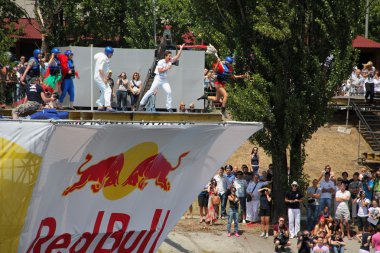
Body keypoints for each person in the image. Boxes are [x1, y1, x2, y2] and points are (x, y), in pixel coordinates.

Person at [139, 44, 185, 112]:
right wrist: (168, 67)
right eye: (169, 56)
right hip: (158, 78)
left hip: (164, 80)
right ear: (165, 56)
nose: (170, 57)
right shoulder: (161, 62)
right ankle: (141, 104)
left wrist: (181, 49)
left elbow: (177, 57)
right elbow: (160, 71)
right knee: (151, 91)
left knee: (169, 92)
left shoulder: (170, 61)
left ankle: (169, 107)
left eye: (171, 56)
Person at [94, 46, 114, 111]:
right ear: (108, 53)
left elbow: (104, 69)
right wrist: (105, 78)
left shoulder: (104, 58)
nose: (112, 55)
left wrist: (108, 74)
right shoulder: (103, 58)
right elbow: (100, 69)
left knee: (104, 91)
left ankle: (100, 105)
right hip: (100, 77)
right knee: (108, 90)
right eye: (111, 53)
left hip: (100, 77)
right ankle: (108, 106)